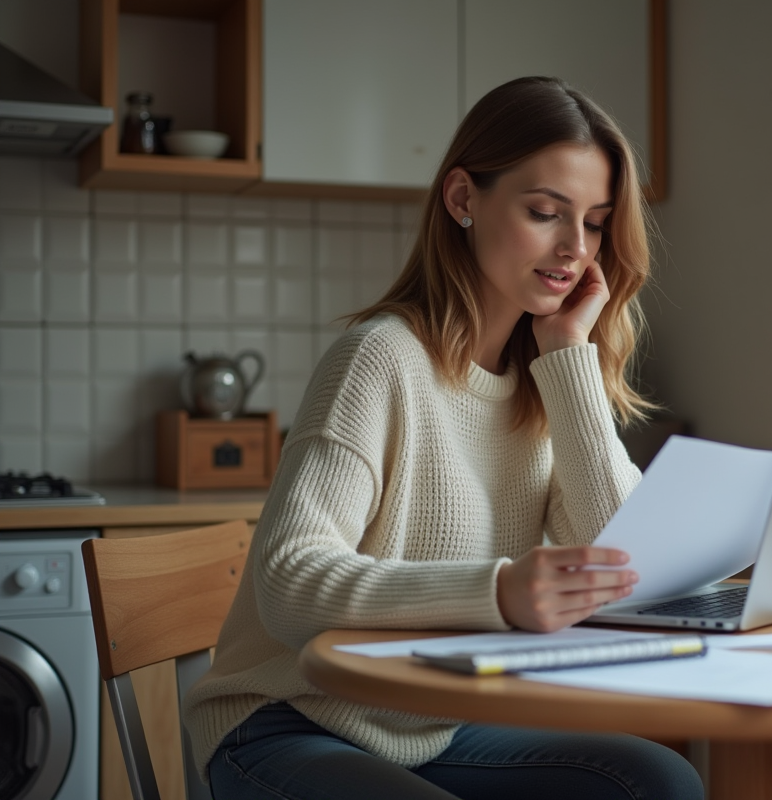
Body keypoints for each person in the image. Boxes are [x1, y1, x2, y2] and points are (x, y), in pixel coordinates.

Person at [181, 76, 705, 800]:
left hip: (432, 725)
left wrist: (568, 358)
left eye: (593, 222)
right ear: (462, 199)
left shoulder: (547, 380)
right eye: (546, 212)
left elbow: (627, 561)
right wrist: (497, 592)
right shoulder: (379, 358)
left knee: (659, 781)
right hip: (285, 721)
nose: (575, 250)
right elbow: (287, 581)